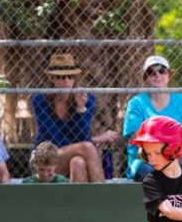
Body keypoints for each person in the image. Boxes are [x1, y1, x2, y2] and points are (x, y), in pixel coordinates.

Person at [31, 53, 118, 183]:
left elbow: (82, 136)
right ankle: (103, 193)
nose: (66, 81)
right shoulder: (40, 100)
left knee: (78, 162)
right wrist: (97, 139)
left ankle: (79, 198)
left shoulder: (86, 99)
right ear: (52, 78)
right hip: (44, 158)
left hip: (73, 154)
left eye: (70, 76)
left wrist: (80, 109)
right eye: (60, 77)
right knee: (87, 147)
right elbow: (52, 137)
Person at [123, 55, 182, 181]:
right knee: (153, 171)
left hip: (177, 156)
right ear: (145, 78)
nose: (157, 75)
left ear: (168, 75)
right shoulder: (136, 103)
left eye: (162, 70)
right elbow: (139, 141)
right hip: (146, 160)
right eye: (151, 72)